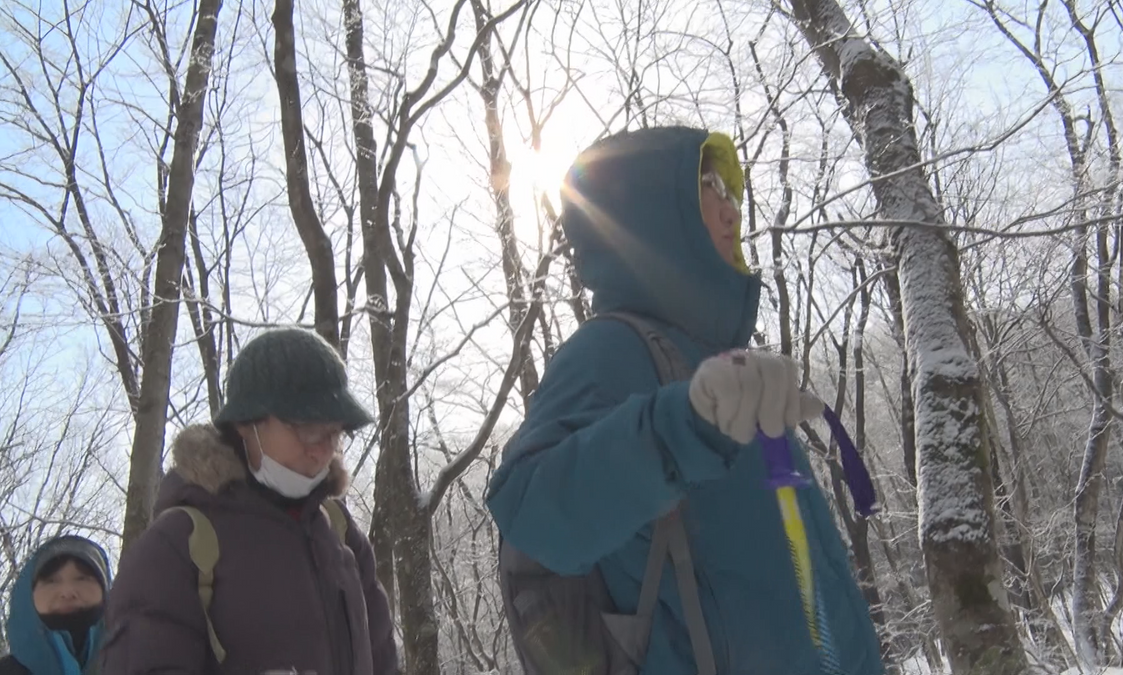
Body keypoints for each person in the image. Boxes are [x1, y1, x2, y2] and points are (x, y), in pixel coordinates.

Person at [486, 127, 884, 674]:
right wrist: (682, 428)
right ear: (651, 211)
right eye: (709, 186)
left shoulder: (716, 360)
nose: (731, 211)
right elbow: (529, 510)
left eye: (733, 193)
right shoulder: (611, 348)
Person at [99, 327, 398, 675]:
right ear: (245, 424)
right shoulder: (178, 544)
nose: (321, 449)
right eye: (307, 428)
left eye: (334, 433)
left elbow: (382, 660)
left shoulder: (340, 533)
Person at [2, 535, 111, 675]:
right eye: (51, 581)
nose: (67, 592)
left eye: (82, 578)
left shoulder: (138, 665)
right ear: (29, 594)